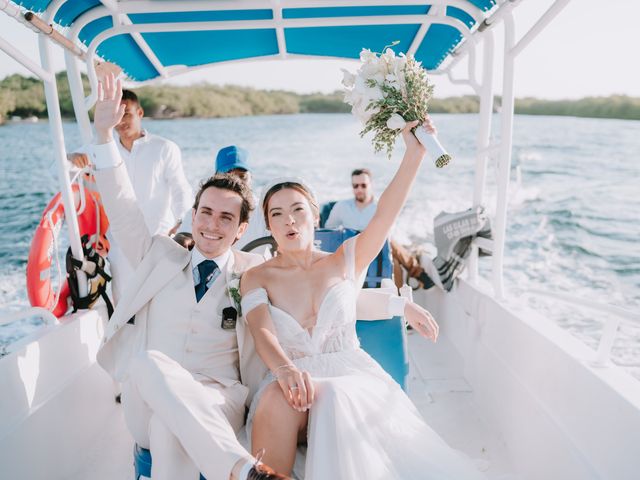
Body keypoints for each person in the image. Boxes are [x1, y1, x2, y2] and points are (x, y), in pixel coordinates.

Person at [240, 119, 485, 479]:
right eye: (276, 214)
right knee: (277, 400)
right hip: (291, 379)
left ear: (313, 214)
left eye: (297, 210)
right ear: (269, 226)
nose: (288, 220)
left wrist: (414, 153)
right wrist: (285, 369)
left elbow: (385, 212)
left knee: (337, 398)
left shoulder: (345, 259)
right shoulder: (256, 276)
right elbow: (262, 332)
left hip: (350, 378)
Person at [89, 74, 288, 480]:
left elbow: (310, 287)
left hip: (218, 400)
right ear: (193, 214)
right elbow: (123, 204)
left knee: (169, 428)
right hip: (145, 399)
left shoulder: (253, 274)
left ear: (241, 229)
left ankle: (240, 471)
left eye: (226, 217)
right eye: (205, 213)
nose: (212, 225)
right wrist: (103, 135)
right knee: (147, 363)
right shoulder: (159, 255)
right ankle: (240, 470)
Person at [68, 88, 192, 303]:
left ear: (140, 113)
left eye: (126, 114)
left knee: (162, 300)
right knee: (125, 303)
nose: (121, 121)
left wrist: (185, 223)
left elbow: (180, 188)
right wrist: (72, 158)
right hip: (119, 241)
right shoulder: (100, 149)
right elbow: (57, 170)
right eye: (116, 116)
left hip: (159, 237)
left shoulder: (164, 148)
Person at [325, 167, 432, 289]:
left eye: (363, 185)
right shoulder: (341, 206)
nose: (359, 189)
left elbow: (389, 232)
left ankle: (397, 297)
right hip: (353, 249)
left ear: (371, 184)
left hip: (378, 249)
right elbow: (329, 230)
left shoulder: (380, 206)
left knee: (393, 261)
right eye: (355, 186)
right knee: (388, 242)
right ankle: (417, 272)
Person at [178, 145, 268, 251]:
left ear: (251, 177)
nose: (236, 181)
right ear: (216, 177)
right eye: (227, 175)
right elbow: (185, 237)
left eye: (242, 176)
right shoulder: (199, 210)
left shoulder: (265, 211)